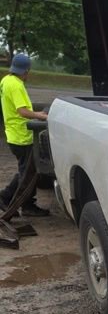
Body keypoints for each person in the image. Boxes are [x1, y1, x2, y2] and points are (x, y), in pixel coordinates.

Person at [0, 52, 49, 217]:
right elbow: (22, 111)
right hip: (22, 136)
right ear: (26, 71)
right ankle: (16, 202)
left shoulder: (6, 80)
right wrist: (41, 115)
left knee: (26, 170)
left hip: (14, 134)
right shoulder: (16, 85)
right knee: (27, 174)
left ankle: (13, 200)